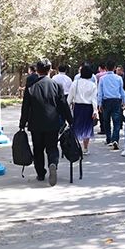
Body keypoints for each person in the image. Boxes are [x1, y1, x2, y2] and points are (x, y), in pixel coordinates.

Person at [19, 59, 73, 187]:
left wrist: (22, 124)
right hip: (52, 123)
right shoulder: (56, 86)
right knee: (52, 147)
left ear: (37, 70)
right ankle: (52, 163)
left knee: (38, 149)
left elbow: (25, 107)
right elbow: (63, 105)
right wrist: (70, 120)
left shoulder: (31, 86)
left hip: (35, 124)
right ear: (50, 70)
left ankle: (41, 173)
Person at [68, 65, 98, 155]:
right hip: (88, 108)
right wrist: (95, 110)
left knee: (76, 127)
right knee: (87, 128)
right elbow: (94, 99)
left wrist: (67, 107)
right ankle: (85, 148)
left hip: (78, 107)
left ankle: (75, 147)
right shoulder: (92, 85)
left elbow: (70, 97)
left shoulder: (75, 83)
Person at [98, 60, 125, 150]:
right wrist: (124, 101)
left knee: (106, 121)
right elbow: (122, 91)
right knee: (116, 121)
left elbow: (100, 92)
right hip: (116, 101)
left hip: (106, 101)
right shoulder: (118, 78)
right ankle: (115, 139)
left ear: (106, 68)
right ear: (114, 68)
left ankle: (108, 139)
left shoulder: (102, 79)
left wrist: (99, 103)